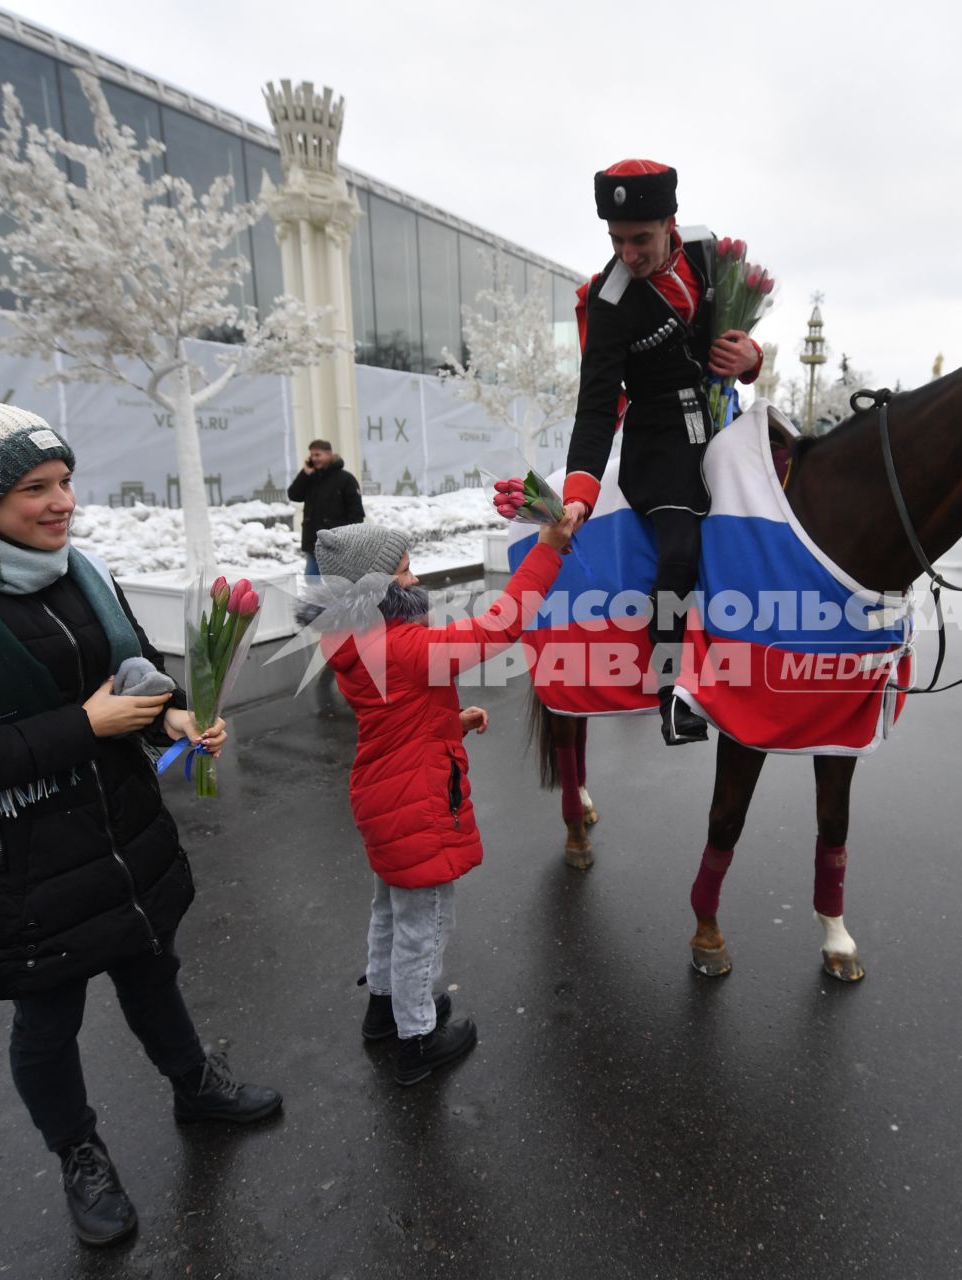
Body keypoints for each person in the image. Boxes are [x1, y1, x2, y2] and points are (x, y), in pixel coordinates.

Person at [0, 385, 280, 1249]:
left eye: (64, 479)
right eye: (35, 487)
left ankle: (195, 1085)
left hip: (121, 838)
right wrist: (81, 728)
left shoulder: (80, 574)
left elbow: (137, 677)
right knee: (48, 1021)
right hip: (16, 870)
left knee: (155, 971)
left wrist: (173, 717)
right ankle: (79, 1151)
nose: (63, 502)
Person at [306, 515, 570, 1085]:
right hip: (416, 799)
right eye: (402, 570)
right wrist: (548, 550)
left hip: (384, 791)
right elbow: (497, 628)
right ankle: (418, 1037)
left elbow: (399, 712)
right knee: (425, 922)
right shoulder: (402, 645)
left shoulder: (355, 639)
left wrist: (451, 717)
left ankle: (385, 1009)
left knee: (390, 910)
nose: (415, 576)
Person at [537, 158, 762, 746]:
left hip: (722, 419)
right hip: (658, 438)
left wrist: (751, 359)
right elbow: (595, 406)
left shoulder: (712, 252)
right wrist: (580, 494)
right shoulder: (609, 301)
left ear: (671, 222)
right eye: (616, 240)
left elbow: (739, 343)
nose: (627, 254)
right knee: (682, 547)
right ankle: (672, 693)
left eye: (640, 239)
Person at [288, 438, 365, 577]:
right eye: (311, 455)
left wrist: (349, 540)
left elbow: (356, 514)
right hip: (313, 543)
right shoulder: (310, 478)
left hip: (336, 545)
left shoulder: (346, 479)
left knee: (336, 585)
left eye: (318, 455)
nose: (314, 458)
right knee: (312, 583)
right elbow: (293, 495)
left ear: (329, 454)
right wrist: (304, 473)